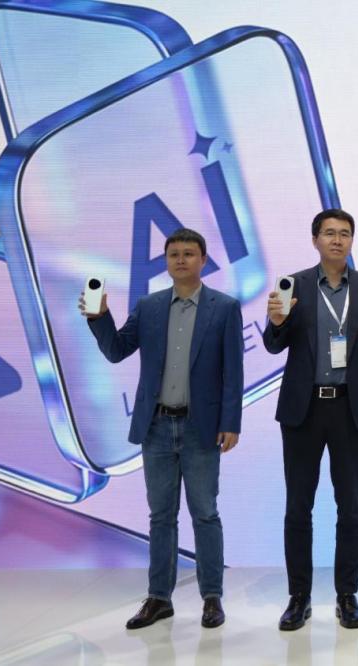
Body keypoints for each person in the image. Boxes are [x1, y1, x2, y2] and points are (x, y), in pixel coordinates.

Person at [81, 228, 244, 630]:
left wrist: (231, 422)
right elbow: (116, 350)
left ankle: (211, 597)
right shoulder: (149, 306)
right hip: (155, 427)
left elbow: (233, 371)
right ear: (166, 262)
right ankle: (159, 598)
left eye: (189, 253)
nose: (181, 260)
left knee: (205, 513)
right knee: (161, 516)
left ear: (203, 260)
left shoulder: (224, 308)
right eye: (174, 254)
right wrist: (99, 317)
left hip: (201, 427)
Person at [263, 208, 358, 631]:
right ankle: (298, 597)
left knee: (350, 507)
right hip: (303, 410)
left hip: (348, 408)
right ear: (315, 239)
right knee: (298, 506)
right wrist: (276, 322)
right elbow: (273, 345)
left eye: (345, 234)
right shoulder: (295, 285)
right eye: (330, 233)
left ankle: (346, 595)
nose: (338, 240)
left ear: (352, 240)